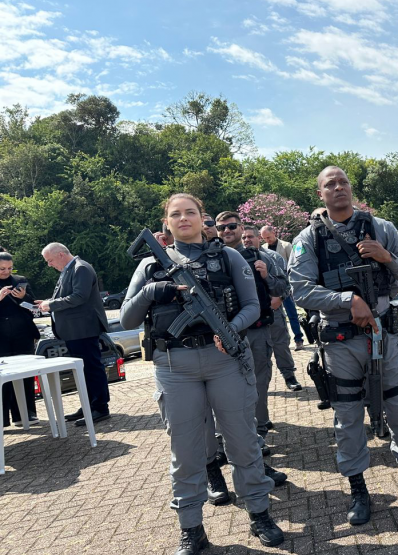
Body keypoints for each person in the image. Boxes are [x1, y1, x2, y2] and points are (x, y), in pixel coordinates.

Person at [120, 193, 284, 552]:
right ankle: (191, 528)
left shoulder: (228, 256)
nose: (183, 219)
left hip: (223, 360)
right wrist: (150, 291)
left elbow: (253, 306)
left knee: (243, 442)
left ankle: (259, 513)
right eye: (175, 214)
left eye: (190, 212)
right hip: (174, 368)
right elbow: (127, 318)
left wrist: (230, 331)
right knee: (187, 451)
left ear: (201, 217)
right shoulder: (150, 265)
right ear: (166, 223)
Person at [288, 166, 398, 525]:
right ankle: (358, 490)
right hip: (340, 343)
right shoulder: (309, 239)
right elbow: (299, 288)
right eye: (329, 185)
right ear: (320, 194)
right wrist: (345, 301)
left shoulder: (381, 228)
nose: (338, 188)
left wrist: (386, 257)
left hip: (385, 337)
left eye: (343, 182)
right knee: (348, 418)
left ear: (351, 189)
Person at [215, 212, 288, 442]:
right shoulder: (211, 258)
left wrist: (266, 277)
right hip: (220, 338)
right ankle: (227, 437)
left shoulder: (262, 257)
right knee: (224, 388)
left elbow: (282, 287)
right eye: (221, 227)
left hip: (255, 331)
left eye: (232, 226)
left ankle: (260, 429)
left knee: (258, 381)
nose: (227, 231)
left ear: (241, 228)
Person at [37, 243, 110, 426]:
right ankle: (88, 405)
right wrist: (48, 302)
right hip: (75, 330)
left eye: (50, 260)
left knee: (91, 368)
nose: (49, 264)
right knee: (83, 370)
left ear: (61, 254)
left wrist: (51, 305)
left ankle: (100, 408)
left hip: (83, 329)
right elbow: (70, 295)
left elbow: (79, 297)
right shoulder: (70, 269)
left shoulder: (81, 268)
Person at [244, 227, 302, 391]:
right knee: (256, 351)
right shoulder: (236, 258)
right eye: (244, 237)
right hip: (252, 315)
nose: (246, 240)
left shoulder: (272, 257)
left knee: (281, 345)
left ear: (258, 238)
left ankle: (289, 376)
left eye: (250, 236)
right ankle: (258, 384)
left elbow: (287, 281)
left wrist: (280, 298)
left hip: (273, 310)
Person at [0, 252, 41, 427]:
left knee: (26, 374)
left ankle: (26, 413)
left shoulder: (19, 280)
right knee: (4, 378)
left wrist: (23, 297)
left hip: (23, 333)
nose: (6, 272)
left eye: (9, 268)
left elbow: (33, 306)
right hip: (1, 337)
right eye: (2, 268)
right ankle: (3, 419)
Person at [260, 225, 305, 352]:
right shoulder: (263, 248)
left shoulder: (286, 246)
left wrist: (292, 285)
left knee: (292, 313)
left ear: (274, 233)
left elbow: (294, 265)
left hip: (285, 285)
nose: (267, 240)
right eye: (264, 238)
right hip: (271, 287)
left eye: (268, 237)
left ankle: (298, 339)